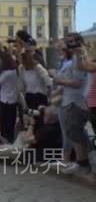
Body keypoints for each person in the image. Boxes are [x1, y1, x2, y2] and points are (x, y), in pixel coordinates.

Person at [52, 33, 90, 175]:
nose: (69, 45)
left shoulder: (80, 57)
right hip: (71, 100)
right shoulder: (75, 58)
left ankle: (83, 162)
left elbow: (77, 82)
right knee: (71, 132)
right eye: (67, 43)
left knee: (75, 132)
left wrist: (58, 80)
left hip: (76, 101)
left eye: (71, 42)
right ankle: (81, 162)